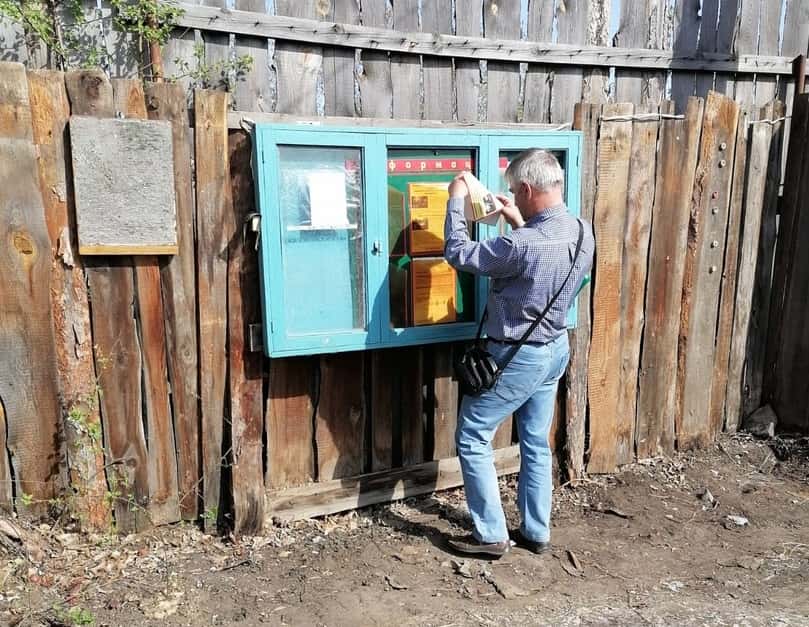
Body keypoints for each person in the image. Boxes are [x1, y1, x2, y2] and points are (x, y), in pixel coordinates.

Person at [443, 149, 595, 558]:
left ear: (527, 188)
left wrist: (456, 198)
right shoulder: (583, 231)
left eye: (514, 190)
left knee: (473, 435)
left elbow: (458, 252)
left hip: (516, 357)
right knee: (534, 441)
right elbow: (543, 256)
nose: (512, 194)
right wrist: (517, 219)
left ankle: (491, 535)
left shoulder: (521, 244)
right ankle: (535, 529)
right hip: (555, 350)